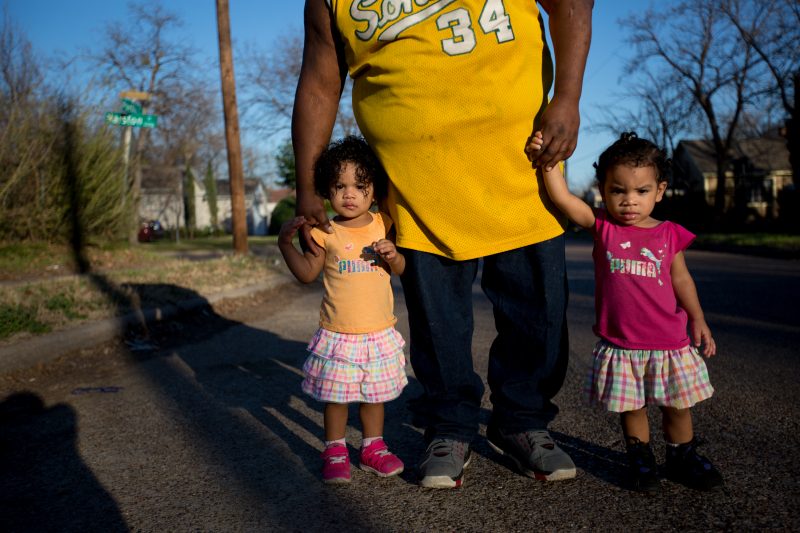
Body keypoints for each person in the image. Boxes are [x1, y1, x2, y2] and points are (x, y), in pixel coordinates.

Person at [293, 0, 593, 489]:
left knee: (537, 314)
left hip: (519, 176)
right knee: (439, 327)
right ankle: (450, 426)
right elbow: (320, 81)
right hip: (418, 190)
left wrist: (568, 97)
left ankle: (522, 421)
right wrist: (308, 187)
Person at [533, 131, 724, 492]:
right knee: (632, 408)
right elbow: (562, 198)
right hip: (623, 343)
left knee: (677, 406)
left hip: (669, 342)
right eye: (618, 190)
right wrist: (548, 162)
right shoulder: (602, 226)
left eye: (641, 191)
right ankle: (641, 459)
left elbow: (682, 281)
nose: (629, 201)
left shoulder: (668, 234)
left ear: (660, 190)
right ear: (604, 190)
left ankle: (681, 456)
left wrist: (698, 319)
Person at [278, 136, 408, 484]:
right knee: (336, 399)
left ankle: (372, 448)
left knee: (372, 396)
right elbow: (307, 273)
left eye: (359, 185)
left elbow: (401, 269)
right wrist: (284, 245)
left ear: (373, 189)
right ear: (326, 189)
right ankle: (335, 449)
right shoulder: (326, 231)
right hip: (339, 334)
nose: (349, 193)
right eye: (340, 185)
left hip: (377, 332)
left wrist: (394, 256)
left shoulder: (384, 225)